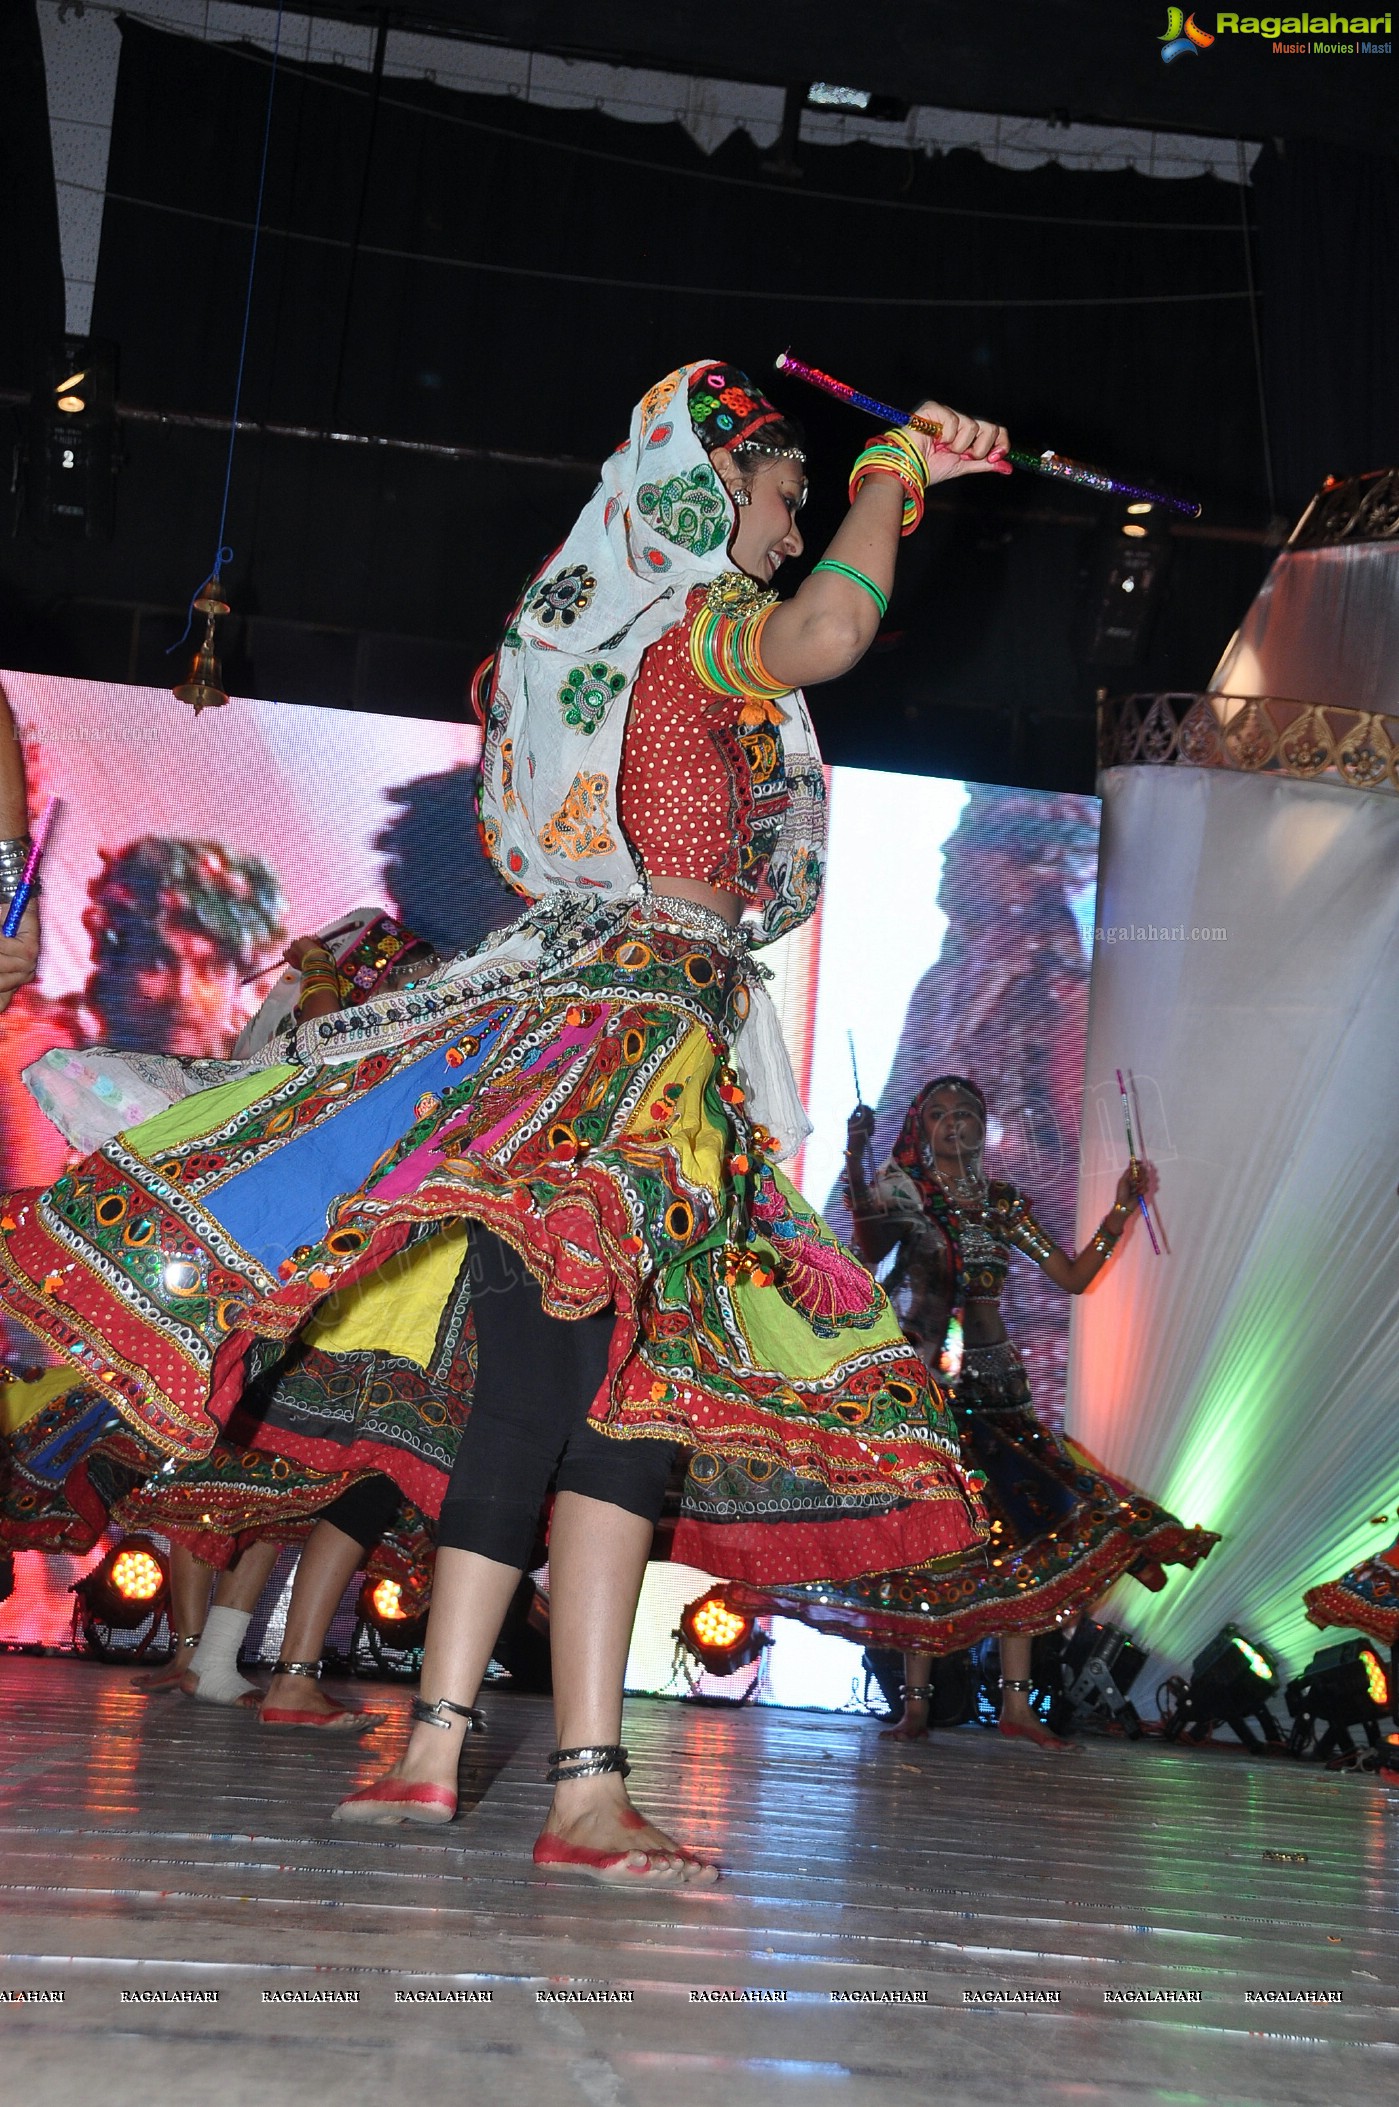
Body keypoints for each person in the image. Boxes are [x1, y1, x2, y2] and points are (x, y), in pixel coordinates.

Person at [0, 360, 1004, 1881]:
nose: (801, 516)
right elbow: (837, 628)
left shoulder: (679, 654)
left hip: (663, 1050)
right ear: (708, 491)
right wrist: (899, 473)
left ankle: (566, 1777)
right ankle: (438, 1738)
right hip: (615, 1055)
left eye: (814, 493)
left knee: (620, 1420)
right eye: (784, 487)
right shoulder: (698, 627)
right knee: (554, 1391)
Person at [730, 1076, 1218, 1749]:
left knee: (1023, 1537)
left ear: (982, 1127)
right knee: (928, 1536)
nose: (953, 1123)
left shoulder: (1001, 1202)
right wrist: (851, 1156)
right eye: (938, 1115)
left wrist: (1118, 1212)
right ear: (921, 1130)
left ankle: (1016, 1710)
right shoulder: (905, 1191)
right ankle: (916, 1708)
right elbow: (869, 1246)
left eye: (965, 1113)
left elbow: (1072, 1277)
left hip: (996, 1385)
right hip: (923, 1383)